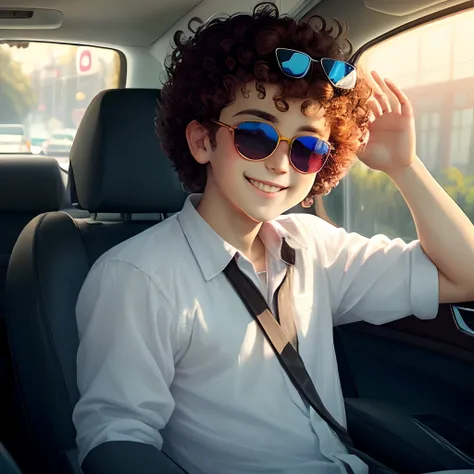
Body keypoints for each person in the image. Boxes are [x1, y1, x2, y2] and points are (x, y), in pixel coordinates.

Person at [72, 3, 474, 474]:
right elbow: (117, 440)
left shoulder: (316, 247)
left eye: (307, 147)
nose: (281, 164)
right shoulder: (137, 277)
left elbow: (464, 275)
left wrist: (403, 168)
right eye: (256, 136)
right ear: (203, 141)